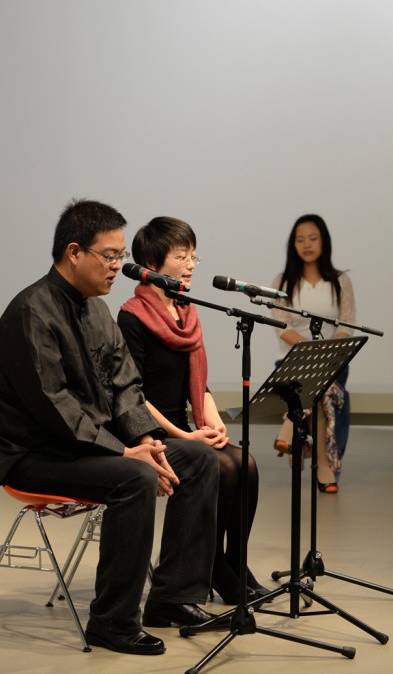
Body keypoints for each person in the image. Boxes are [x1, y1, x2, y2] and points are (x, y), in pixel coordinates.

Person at [0, 199, 219, 657]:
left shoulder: (95, 310)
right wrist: (125, 453)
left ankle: (172, 598)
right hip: (38, 454)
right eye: (110, 256)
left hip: (90, 447)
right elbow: (55, 408)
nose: (119, 266)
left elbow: (126, 385)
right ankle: (112, 622)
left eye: (120, 256)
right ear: (74, 252)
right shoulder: (31, 312)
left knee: (197, 458)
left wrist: (147, 440)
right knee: (135, 477)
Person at [118, 216, 269, 605]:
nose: (190, 265)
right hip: (149, 431)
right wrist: (186, 436)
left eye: (193, 257)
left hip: (187, 428)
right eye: (181, 256)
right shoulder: (131, 316)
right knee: (219, 465)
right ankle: (212, 565)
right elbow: (133, 394)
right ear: (153, 263)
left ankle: (234, 562)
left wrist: (214, 424)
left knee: (244, 464)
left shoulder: (186, 312)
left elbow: (198, 385)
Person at [271, 214, 356, 493]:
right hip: (293, 360)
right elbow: (282, 326)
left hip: (332, 361)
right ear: (293, 244)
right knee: (320, 392)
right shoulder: (283, 281)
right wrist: (309, 351)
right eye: (300, 240)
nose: (306, 244)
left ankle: (289, 427)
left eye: (313, 238)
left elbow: (347, 324)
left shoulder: (340, 280)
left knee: (318, 385)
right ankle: (325, 467)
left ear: (324, 241)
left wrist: (325, 353)